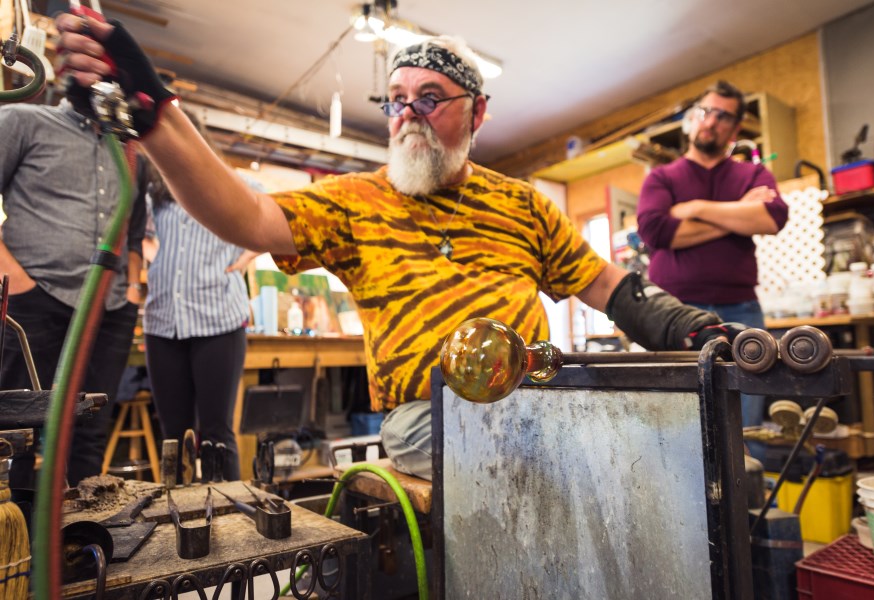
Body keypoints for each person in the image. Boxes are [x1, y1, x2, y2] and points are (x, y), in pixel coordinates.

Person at [57, 17, 744, 481]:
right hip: (427, 416)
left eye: (429, 98)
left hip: (537, 395)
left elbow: (605, 285)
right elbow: (249, 218)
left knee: (674, 459)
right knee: (536, 465)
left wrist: (682, 323)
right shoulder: (356, 201)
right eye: (394, 100)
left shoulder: (522, 204)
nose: (406, 115)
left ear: (477, 112)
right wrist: (155, 113)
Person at [0, 96, 147, 487]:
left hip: (110, 308)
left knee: (91, 434)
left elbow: (135, 234)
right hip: (34, 299)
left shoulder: (132, 153)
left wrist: (132, 292)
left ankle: (82, 538)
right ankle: (17, 540)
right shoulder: (23, 122)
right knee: (19, 430)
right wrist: (14, 276)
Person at [636, 80, 789, 451]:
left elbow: (771, 217)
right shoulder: (662, 176)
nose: (711, 122)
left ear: (735, 129)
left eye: (723, 116)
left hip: (741, 313)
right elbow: (656, 231)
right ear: (693, 119)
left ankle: (747, 504)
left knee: (745, 424)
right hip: (672, 311)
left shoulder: (751, 175)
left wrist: (695, 209)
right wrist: (737, 215)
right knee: (673, 422)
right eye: (706, 112)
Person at [142, 112, 258, 482]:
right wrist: (154, 262)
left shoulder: (232, 183)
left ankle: (227, 521)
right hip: (163, 322)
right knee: (173, 437)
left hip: (218, 320)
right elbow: (137, 237)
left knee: (217, 434)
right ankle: (178, 521)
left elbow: (280, 213)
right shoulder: (154, 194)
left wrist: (243, 259)